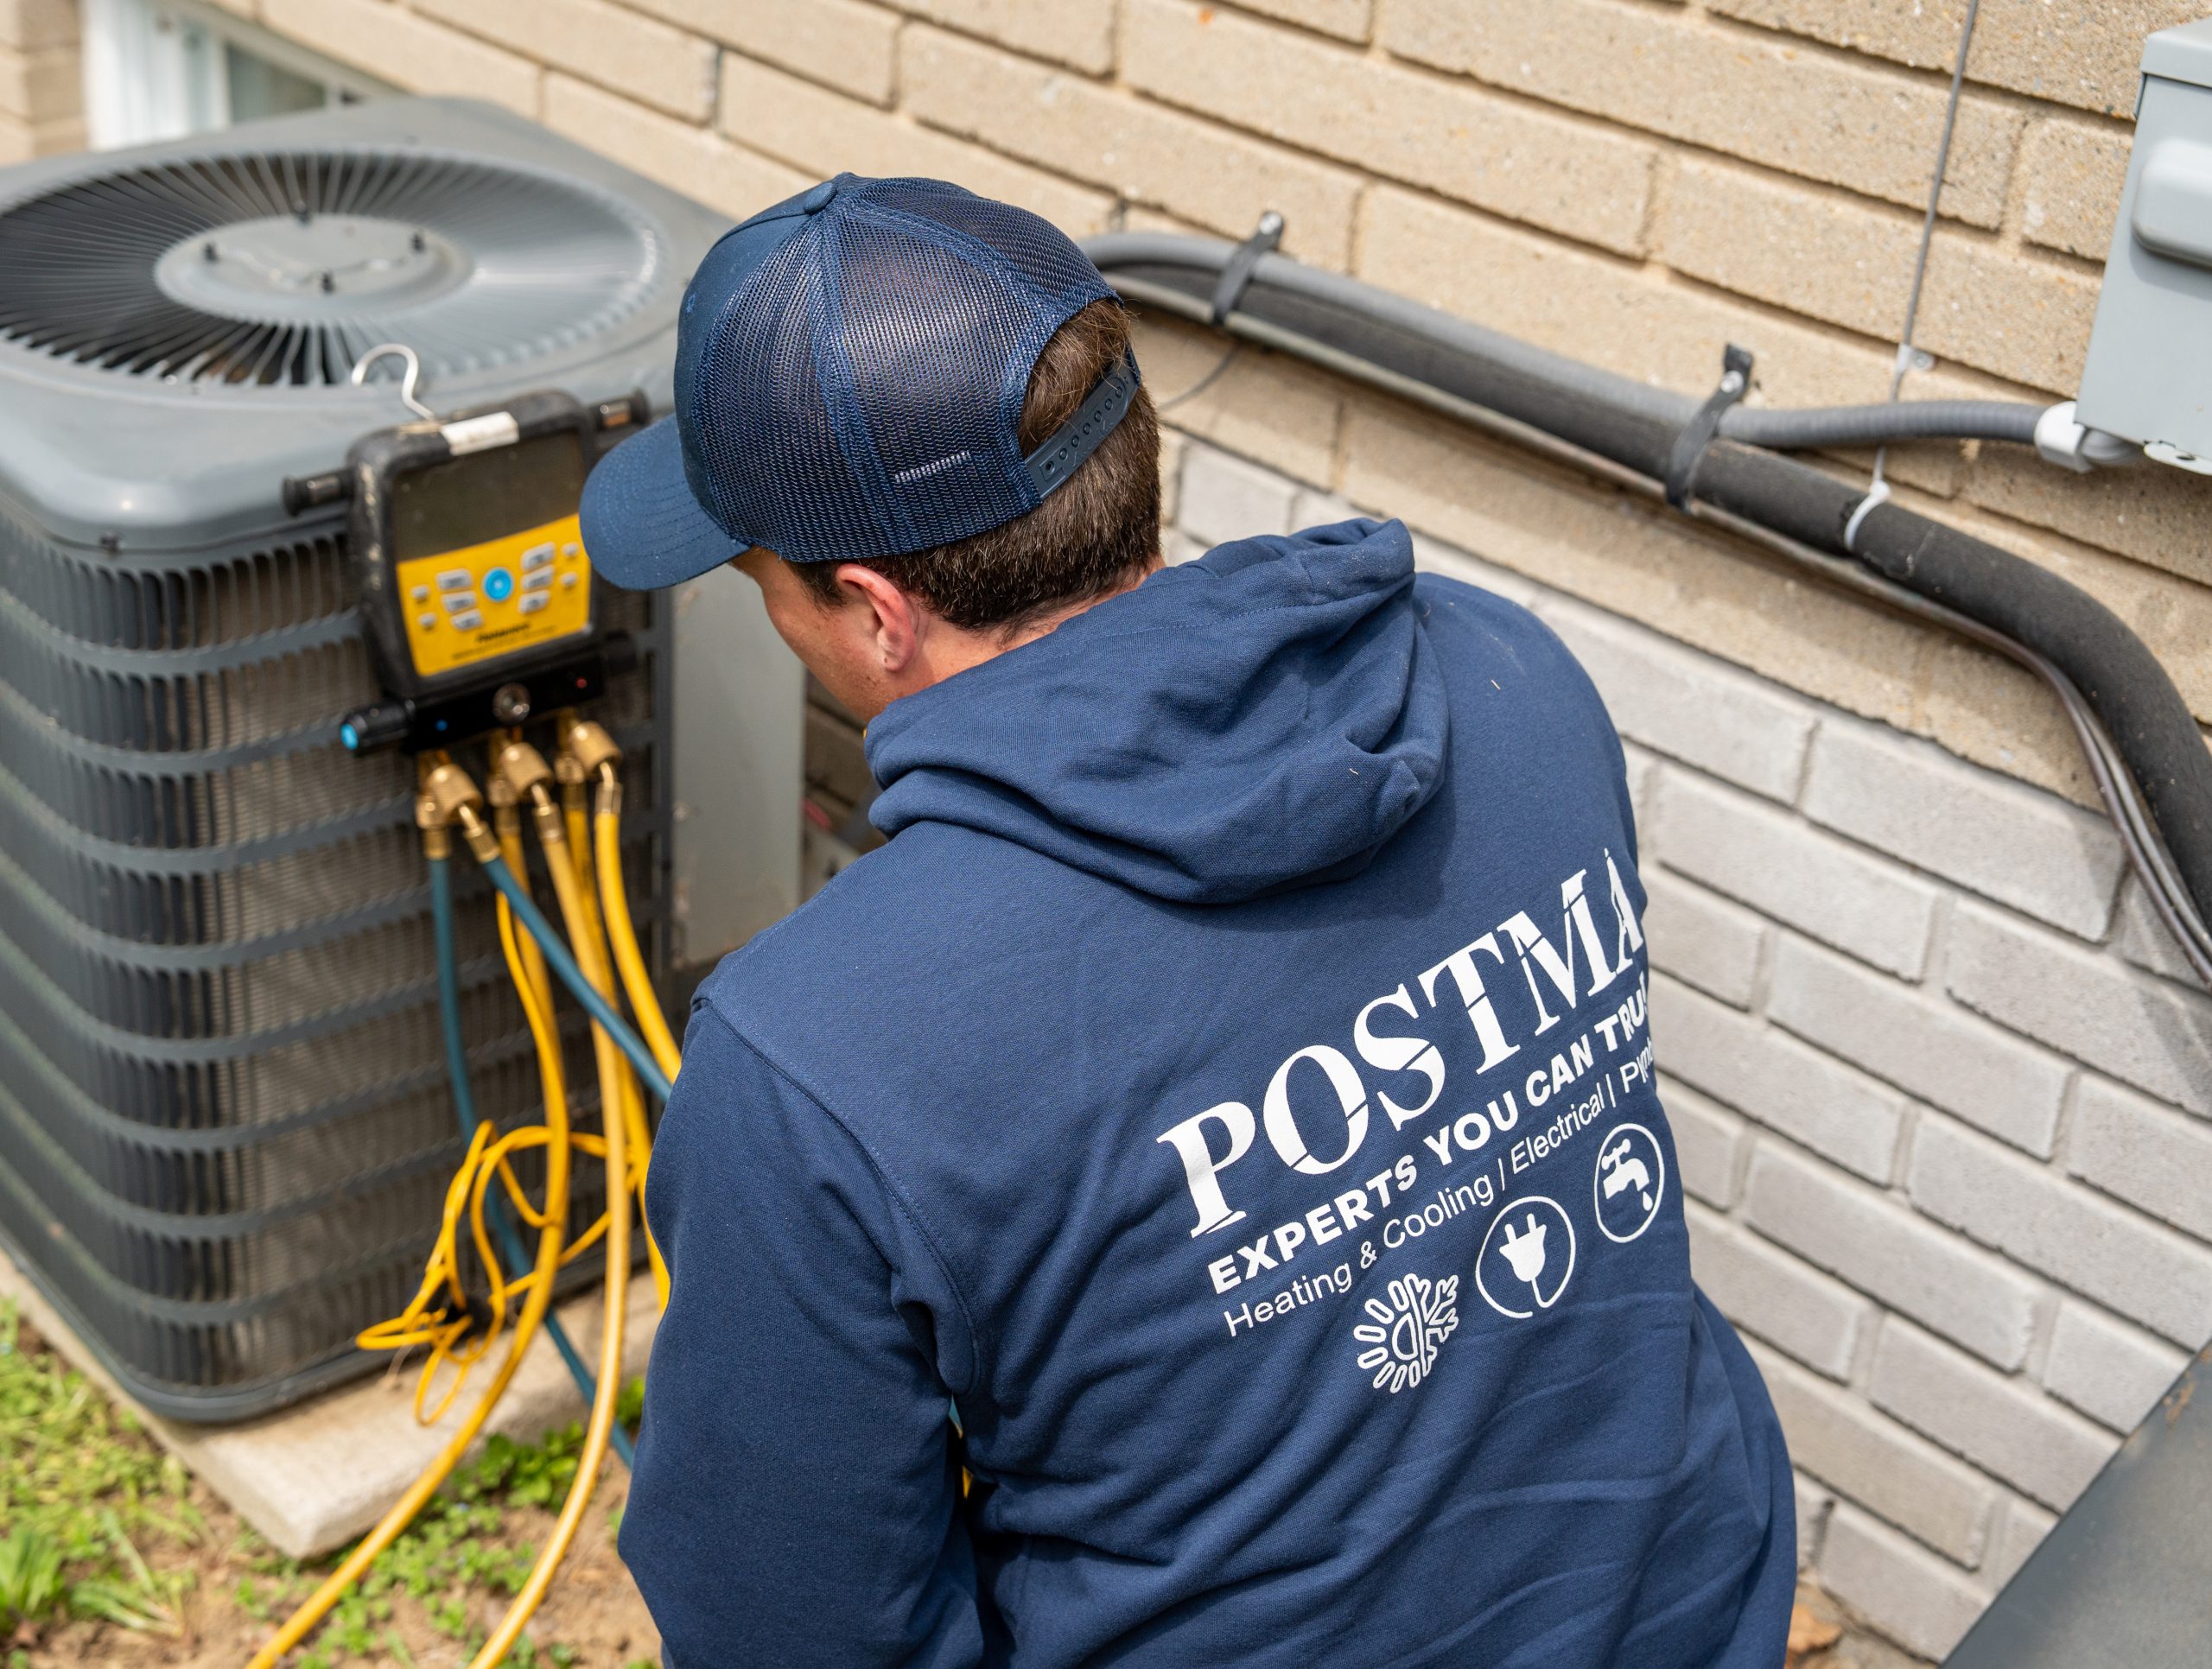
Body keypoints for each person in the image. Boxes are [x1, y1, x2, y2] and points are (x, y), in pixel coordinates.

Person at [581, 174, 1795, 1668]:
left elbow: (798, 1620)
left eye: (759, 580)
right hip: (1684, 1604)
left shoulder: (824, 1061)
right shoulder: (1503, 680)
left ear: (875, 612)